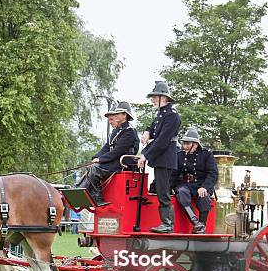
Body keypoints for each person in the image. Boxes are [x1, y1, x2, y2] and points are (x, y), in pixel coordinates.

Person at [138, 81, 181, 233]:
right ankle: (166, 223)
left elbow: (162, 141)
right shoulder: (162, 113)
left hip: (166, 157)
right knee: (160, 189)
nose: (152, 100)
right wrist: (146, 131)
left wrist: (145, 155)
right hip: (161, 158)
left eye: (155, 97)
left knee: (163, 192)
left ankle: (168, 224)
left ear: (164, 97)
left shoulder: (172, 116)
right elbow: (153, 127)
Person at [77, 101, 139, 207]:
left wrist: (100, 160)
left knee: (95, 169)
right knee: (92, 166)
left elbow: (118, 151)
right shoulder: (116, 131)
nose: (115, 116)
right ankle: (80, 190)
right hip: (114, 161)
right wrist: (96, 157)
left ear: (124, 115)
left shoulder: (129, 131)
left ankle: (88, 195)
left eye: (117, 114)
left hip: (123, 163)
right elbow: (106, 147)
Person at [171, 127, 217, 234]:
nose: (185, 146)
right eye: (184, 143)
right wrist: (170, 188)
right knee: (181, 192)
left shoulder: (206, 154)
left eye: (188, 143)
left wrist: (205, 187)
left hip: (201, 184)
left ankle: (202, 224)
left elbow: (213, 173)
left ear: (195, 144)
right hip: (185, 184)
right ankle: (196, 223)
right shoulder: (179, 155)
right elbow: (174, 174)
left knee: (204, 195)